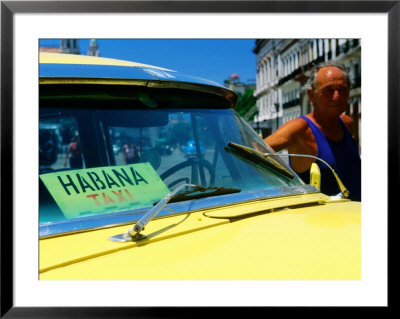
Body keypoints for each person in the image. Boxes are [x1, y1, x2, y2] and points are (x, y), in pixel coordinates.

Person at [264, 60, 361, 201]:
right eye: (328, 90)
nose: (337, 97)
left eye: (342, 90)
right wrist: (282, 189)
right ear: (311, 95)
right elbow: (253, 151)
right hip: (323, 220)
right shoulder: (300, 129)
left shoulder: (347, 123)